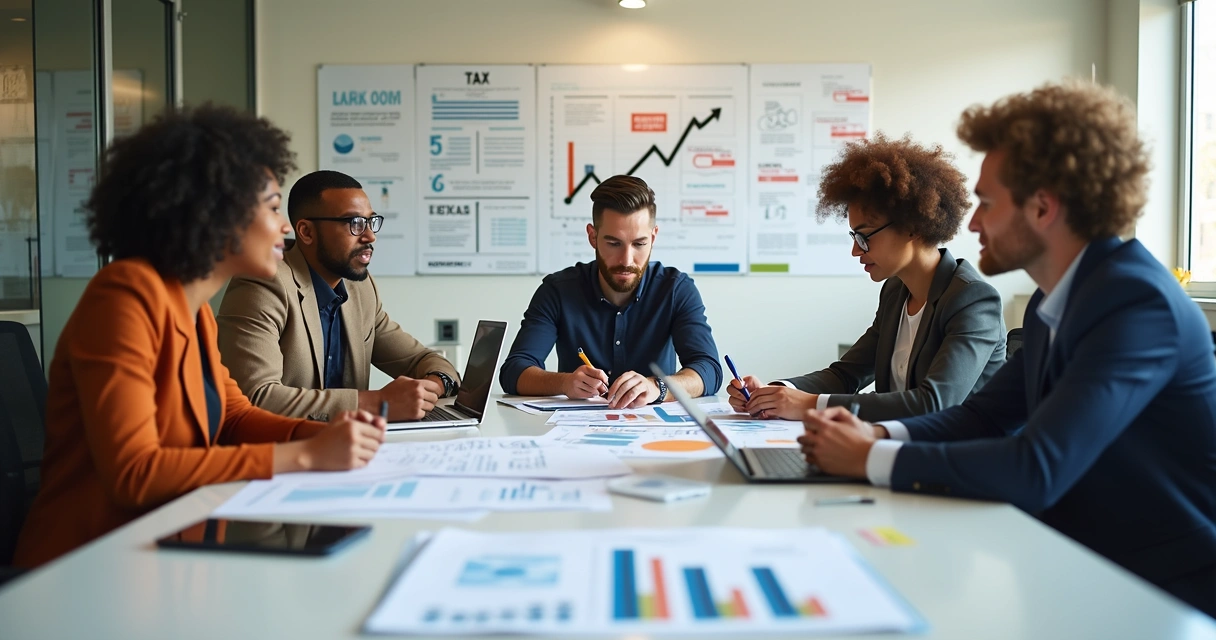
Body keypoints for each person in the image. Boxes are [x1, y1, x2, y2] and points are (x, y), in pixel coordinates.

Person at [800, 81, 1216, 617]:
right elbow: (982, 415)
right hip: (1079, 561)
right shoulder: (1056, 300)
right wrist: (875, 433)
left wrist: (872, 457)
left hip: (1159, 589)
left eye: (988, 204)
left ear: (1042, 208)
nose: (972, 223)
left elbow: (1038, 465)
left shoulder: (1136, 303)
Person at [14, 106, 385, 568]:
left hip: (173, 548)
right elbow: (135, 472)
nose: (286, 227)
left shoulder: (195, 313)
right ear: (215, 212)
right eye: (273, 208)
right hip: (90, 568)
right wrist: (305, 456)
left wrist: (334, 439)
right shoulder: (123, 298)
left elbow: (232, 418)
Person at [727, 134, 1005, 422]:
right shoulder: (895, 291)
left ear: (912, 226)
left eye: (864, 236)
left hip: (952, 458)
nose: (855, 250)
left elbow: (934, 404)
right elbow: (846, 374)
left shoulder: (972, 300)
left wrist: (810, 404)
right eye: (853, 236)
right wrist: (776, 393)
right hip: (895, 447)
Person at [217, 170, 460, 423]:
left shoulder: (360, 288)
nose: (370, 236)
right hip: (280, 452)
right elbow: (255, 398)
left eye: (370, 221)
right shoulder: (264, 282)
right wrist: (376, 404)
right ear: (306, 232)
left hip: (348, 449)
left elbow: (422, 359)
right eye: (354, 223)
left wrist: (434, 384)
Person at [499, 175, 722, 409]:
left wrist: (657, 387)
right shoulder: (557, 291)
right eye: (614, 243)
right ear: (592, 237)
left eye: (639, 244)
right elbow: (514, 371)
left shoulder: (677, 289)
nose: (626, 260)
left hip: (654, 432)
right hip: (573, 434)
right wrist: (565, 383)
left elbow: (708, 369)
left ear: (653, 237)